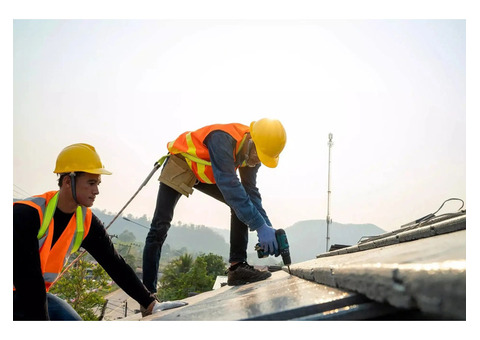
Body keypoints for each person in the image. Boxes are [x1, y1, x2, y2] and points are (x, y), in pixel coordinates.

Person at [13, 143, 186, 320]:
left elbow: (115, 264)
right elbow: (29, 282)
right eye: (91, 183)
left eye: (98, 183)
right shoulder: (26, 214)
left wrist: (152, 304)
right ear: (67, 181)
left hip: (34, 295)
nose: (96, 191)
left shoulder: (85, 220)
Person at [143, 118, 287, 291]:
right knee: (159, 226)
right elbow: (230, 186)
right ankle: (148, 295)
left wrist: (267, 228)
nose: (257, 162)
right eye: (258, 156)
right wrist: (259, 225)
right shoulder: (222, 138)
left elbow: (251, 193)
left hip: (209, 171)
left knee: (242, 203)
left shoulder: (253, 154)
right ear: (251, 141)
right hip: (182, 163)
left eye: (262, 159)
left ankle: (237, 267)